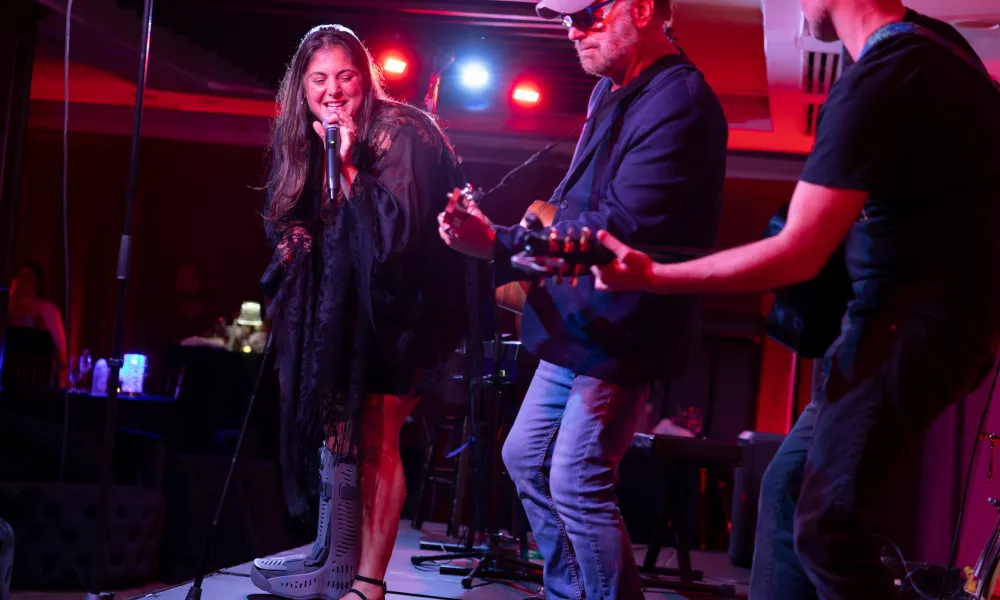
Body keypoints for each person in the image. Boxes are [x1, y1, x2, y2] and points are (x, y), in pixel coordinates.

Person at [591, 1, 1000, 598]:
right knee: (788, 487)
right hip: (935, 326)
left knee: (828, 531)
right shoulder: (942, 50)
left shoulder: (879, 78)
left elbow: (796, 253)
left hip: (907, 327)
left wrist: (652, 274)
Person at [438, 0, 729, 596]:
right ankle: (570, 591)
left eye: (587, 13)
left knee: (576, 477)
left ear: (643, 8)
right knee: (524, 457)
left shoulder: (680, 101)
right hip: (578, 318)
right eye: (563, 19)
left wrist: (498, 241)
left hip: (623, 327)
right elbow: (579, 205)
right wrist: (508, 235)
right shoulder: (609, 92)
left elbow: (619, 227)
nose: (573, 30)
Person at [250, 24, 466, 600]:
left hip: (408, 311)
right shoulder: (305, 135)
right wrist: (293, 236)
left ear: (365, 79)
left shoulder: (403, 131)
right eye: (319, 79)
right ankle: (335, 563)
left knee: (376, 436)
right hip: (346, 311)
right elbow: (287, 210)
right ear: (302, 87)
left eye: (345, 75)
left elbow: (397, 238)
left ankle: (369, 585)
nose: (333, 90)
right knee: (341, 436)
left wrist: (347, 168)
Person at [7, 262, 68, 370]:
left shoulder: (49, 310)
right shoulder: (8, 309)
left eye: (29, 278)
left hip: (37, 378)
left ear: (38, 284)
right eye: (21, 277)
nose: (24, 281)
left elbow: (61, 353)